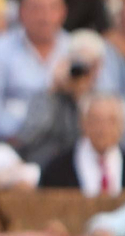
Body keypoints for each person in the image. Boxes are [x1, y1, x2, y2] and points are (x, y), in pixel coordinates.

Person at [0, 0, 70, 139]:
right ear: (21, 12)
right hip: (13, 142)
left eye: (52, 8)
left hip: (65, 144)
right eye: (36, 8)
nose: (44, 17)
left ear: (63, 12)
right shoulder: (0, 49)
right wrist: (11, 136)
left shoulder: (77, 49)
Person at [14, 28, 105, 168]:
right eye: (76, 64)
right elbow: (28, 137)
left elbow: (100, 140)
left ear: (99, 67)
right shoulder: (49, 96)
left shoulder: (103, 100)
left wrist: (81, 100)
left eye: (89, 66)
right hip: (48, 169)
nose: (82, 73)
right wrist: (53, 92)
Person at [39, 93, 125, 196]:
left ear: (123, 126)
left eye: (112, 121)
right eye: (96, 120)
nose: (104, 129)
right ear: (82, 123)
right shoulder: (57, 168)